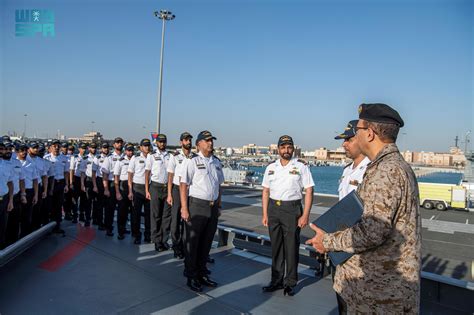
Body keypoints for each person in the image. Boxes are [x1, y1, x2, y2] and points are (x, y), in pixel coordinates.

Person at [306, 103, 421, 314]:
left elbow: (372, 232)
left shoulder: (386, 171)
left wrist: (328, 241)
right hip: (377, 290)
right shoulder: (390, 166)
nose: (354, 135)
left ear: (369, 134)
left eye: (357, 130)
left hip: (380, 294)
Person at [261, 135, 314, 296]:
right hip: (273, 209)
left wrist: (305, 215)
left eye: (289, 147)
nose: (286, 150)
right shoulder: (271, 167)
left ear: (293, 149)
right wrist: (265, 214)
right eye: (283, 147)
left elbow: (309, 190)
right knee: (276, 247)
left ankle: (290, 282)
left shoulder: (301, 166)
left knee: (291, 247)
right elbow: (265, 191)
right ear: (278, 149)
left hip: (292, 210)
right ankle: (276, 280)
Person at [180, 130, 224, 292]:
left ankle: (202, 273)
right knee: (193, 243)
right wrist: (184, 208)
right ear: (199, 144)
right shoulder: (192, 161)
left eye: (212, 140)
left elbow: (219, 185)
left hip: (212, 208)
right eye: (207, 141)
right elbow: (183, 185)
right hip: (197, 206)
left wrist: (218, 205)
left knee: (206, 243)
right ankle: (191, 276)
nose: (210, 143)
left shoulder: (216, 162)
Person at [167, 132, 195, 259]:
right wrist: (169, 194)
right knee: (176, 220)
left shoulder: (194, 157)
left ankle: (185, 246)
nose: (188, 142)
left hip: (190, 190)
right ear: (181, 142)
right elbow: (170, 176)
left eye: (189, 140)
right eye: (186, 140)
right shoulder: (175, 156)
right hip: (177, 190)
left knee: (187, 220)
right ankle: (176, 247)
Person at [145, 134, 171, 252]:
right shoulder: (152, 156)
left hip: (167, 188)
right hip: (155, 187)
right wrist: (147, 190)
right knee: (156, 215)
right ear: (156, 143)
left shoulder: (170, 156)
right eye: (160, 142)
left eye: (164, 141)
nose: (162, 144)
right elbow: (147, 173)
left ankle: (164, 240)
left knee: (166, 216)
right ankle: (156, 241)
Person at [335, 120, 370, 200]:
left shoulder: (370, 170)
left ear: (362, 141)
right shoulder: (347, 169)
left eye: (349, 140)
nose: (343, 144)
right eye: (344, 140)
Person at [128, 139, 152, 244]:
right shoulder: (135, 158)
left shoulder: (153, 158)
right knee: (136, 214)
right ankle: (136, 235)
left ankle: (148, 235)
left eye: (148, 145)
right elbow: (130, 175)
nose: (147, 147)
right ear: (141, 147)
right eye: (145, 146)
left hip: (150, 188)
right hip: (137, 188)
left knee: (149, 214)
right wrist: (130, 191)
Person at [43, 140, 69, 234]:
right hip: (50, 183)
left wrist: (66, 184)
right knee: (48, 205)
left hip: (60, 183)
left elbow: (66, 172)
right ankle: (47, 227)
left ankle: (57, 226)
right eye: (54, 146)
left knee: (58, 205)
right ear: (50, 147)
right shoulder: (46, 158)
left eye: (58, 146)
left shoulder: (64, 158)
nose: (57, 148)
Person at [101, 137, 124, 236]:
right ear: (114, 145)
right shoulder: (109, 158)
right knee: (110, 208)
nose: (119, 144)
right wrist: (106, 189)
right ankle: (108, 228)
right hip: (111, 184)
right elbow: (105, 175)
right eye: (117, 143)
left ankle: (121, 229)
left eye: (121, 143)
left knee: (123, 209)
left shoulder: (126, 157)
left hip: (123, 184)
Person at [16, 143, 38, 238]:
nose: (24, 152)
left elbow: (35, 180)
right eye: (21, 150)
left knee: (27, 216)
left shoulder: (31, 164)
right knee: (15, 218)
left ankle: (25, 237)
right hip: (16, 193)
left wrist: (36, 195)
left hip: (29, 192)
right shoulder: (14, 163)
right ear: (17, 152)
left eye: (25, 150)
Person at [114, 143, 134, 240]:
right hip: (123, 186)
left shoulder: (136, 160)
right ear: (125, 151)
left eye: (131, 150)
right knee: (122, 211)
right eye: (128, 150)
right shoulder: (120, 161)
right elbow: (116, 177)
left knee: (133, 211)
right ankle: (120, 231)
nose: (130, 152)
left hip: (134, 185)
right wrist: (117, 192)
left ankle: (131, 230)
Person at [69, 143, 88, 225]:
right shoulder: (75, 157)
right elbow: (71, 170)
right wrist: (71, 182)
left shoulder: (87, 158)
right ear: (79, 149)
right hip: (76, 179)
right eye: (82, 148)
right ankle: (74, 216)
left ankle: (81, 215)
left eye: (85, 148)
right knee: (75, 199)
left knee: (84, 199)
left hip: (84, 179)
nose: (84, 150)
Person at [0, 142, 14, 249]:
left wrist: (10, 201)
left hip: (3, 200)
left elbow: (10, 183)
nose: (2, 151)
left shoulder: (7, 165)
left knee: (2, 227)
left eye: (3, 149)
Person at [92, 142, 110, 231]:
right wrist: (95, 185)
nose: (106, 149)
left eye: (107, 147)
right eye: (104, 147)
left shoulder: (110, 157)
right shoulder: (97, 158)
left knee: (107, 204)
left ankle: (107, 222)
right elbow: (93, 173)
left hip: (109, 181)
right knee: (100, 204)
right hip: (99, 181)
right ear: (101, 149)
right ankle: (99, 223)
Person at [85, 143, 98, 226]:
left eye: (95, 148)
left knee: (96, 201)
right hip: (89, 180)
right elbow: (82, 172)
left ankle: (95, 218)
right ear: (89, 148)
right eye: (92, 148)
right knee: (88, 201)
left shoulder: (99, 157)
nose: (94, 149)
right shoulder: (85, 158)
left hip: (97, 180)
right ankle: (87, 219)